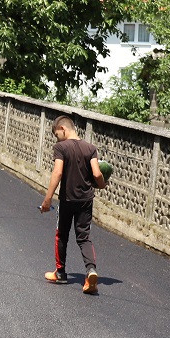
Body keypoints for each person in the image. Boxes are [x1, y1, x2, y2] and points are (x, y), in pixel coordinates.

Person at [38, 115, 107, 292]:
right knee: (83, 237)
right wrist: (102, 185)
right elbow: (97, 174)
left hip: (67, 199)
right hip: (86, 200)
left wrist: (47, 199)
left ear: (62, 129)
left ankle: (60, 273)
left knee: (61, 235)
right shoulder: (90, 148)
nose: (57, 139)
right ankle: (91, 271)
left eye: (56, 134)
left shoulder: (61, 148)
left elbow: (58, 173)